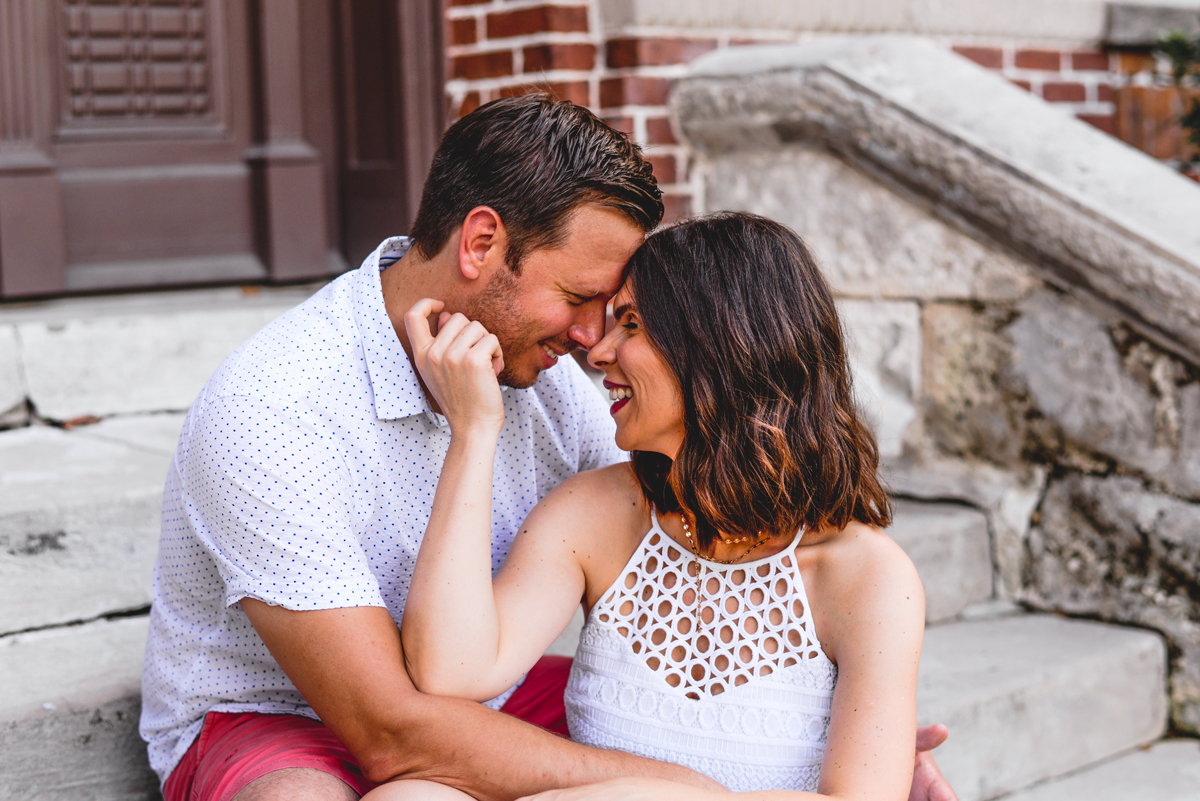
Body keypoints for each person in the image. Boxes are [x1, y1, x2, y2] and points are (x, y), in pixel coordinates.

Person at [139, 93, 956, 801]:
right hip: (287, 715)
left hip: (475, 693)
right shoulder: (272, 406)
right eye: (581, 298)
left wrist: (837, 724)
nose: (594, 339)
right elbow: (388, 726)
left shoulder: (551, 372)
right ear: (482, 243)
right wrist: (690, 788)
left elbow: (688, 523)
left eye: (620, 317)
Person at [398, 212, 926, 800]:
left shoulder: (866, 578)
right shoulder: (596, 514)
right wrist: (473, 434)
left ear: (724, 347)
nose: (597, 351)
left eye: (631, 325)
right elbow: (452, 671)